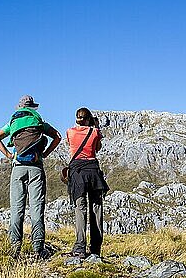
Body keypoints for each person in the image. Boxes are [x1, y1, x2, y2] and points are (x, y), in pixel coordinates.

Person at [0, 95, 61, 259]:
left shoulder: (12, 123)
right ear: (32, 108)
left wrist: (9, 155)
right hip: (36, 168)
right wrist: (44, 154)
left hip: (18, 169)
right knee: (37, 209)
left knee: (17, 210)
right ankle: (38, 249)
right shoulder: (39, 122)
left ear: (20, 107)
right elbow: (57, 136)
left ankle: (14, 249)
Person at [66, 107, 109, 258]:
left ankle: (79, 248)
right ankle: (96, 248)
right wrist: (95, 127)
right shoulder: (95, 132)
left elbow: (73, 145)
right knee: (96, 209)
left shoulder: (70, 132)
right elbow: (97, 149)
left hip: (78, 173)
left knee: (80, 209)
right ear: (89, 119)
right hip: (93, 172)